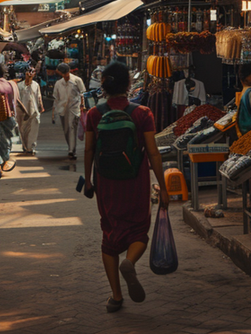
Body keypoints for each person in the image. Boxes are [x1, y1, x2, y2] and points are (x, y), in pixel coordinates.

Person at [84, 61, 169, 314]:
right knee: (139, 229)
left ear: (104, 86)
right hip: (136, 181)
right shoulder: (142, 113)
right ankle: (130, 261)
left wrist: (88, 180)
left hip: (107, 183)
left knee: (109, 233)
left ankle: (116, 296)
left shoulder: (94, 114)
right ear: (129, 85)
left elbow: (88, 150)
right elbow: (153, 153)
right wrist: (162, 187)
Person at [52, 62, 86, 159]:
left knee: (72, 128)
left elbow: (82, 93)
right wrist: (54, 113)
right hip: (62, 109)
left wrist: (82, 105)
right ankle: (70, 147)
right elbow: (56, 98)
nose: (64, 75)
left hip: (74, 108)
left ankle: (72, 150)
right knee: (66, 129)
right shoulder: (58, 84)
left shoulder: (77, 80)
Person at [17, 67, 44, 154]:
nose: (30, 73)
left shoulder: (36, 85)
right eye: (29, 71)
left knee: (33, 129)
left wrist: (41, 106)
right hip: (22, 112)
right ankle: (25, 146)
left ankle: (31, 147)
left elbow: (39, 96)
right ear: (25, 73)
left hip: (34, 110)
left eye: (33, 72)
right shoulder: (20, 85)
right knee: (23, 130)